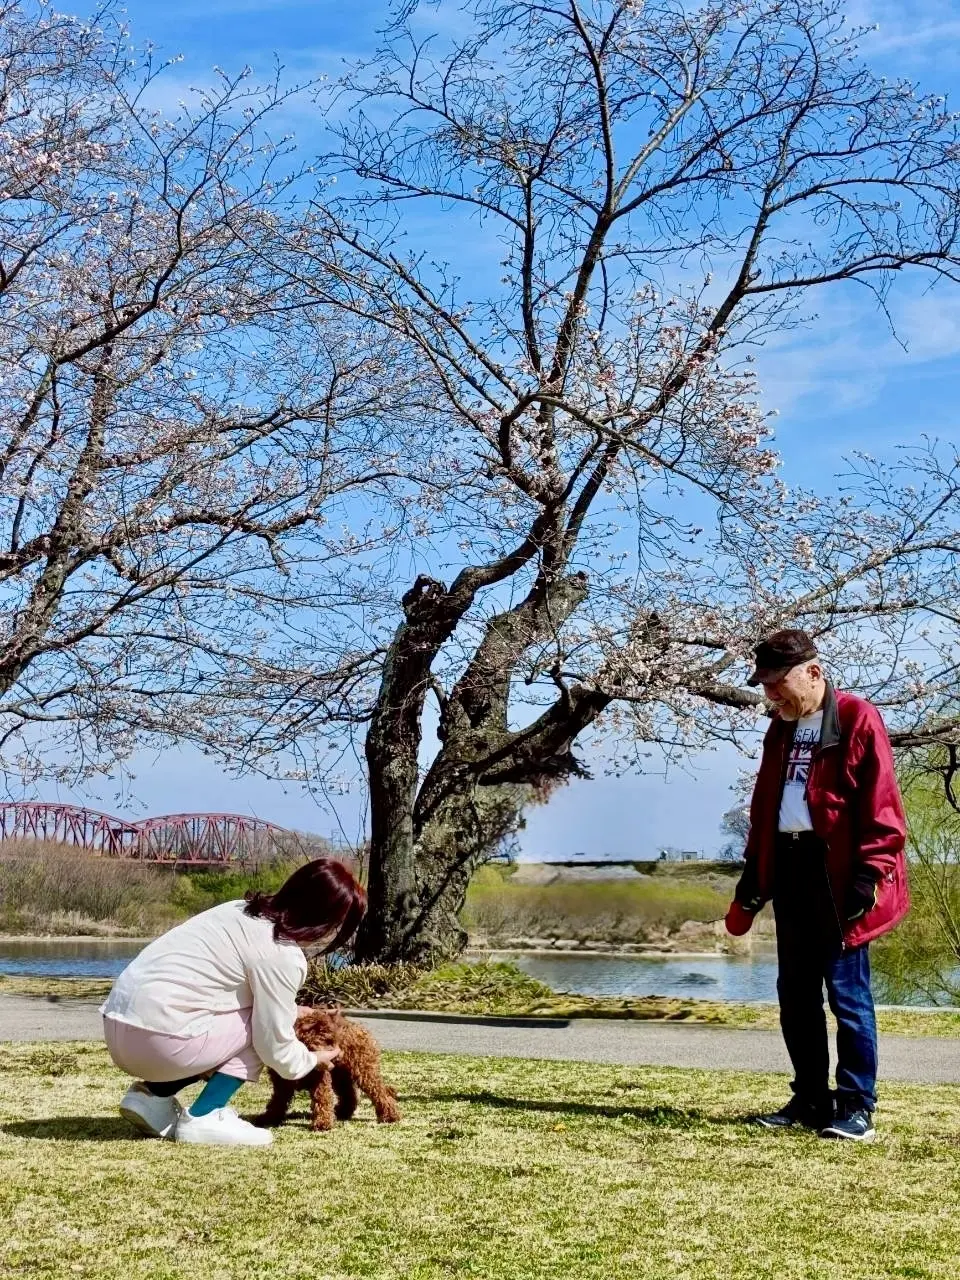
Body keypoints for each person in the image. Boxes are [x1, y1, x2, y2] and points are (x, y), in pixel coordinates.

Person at [724, 629, 908, 1142]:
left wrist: (869, 875)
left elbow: (883, 807)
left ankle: (856, 1105)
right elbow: (766, 806)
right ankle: (809, 1098)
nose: (772, 695)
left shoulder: (856, 717)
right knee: (795, 995)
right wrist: (753, 874)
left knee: (847, 995)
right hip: (790, 866)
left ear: (813, 672)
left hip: (841, 875)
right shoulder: (779, 730)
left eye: (778, 683)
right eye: (765, 686)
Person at [101, 857, 366, 1147]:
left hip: (118, 1027)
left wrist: (293, 1010)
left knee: (244, 1017)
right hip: (163, 1039)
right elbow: (272, 1044)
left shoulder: (235, 910)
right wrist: (312, 1059)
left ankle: (151, 1096)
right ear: (323, 919)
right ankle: (206, 1114)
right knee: (261, 1026)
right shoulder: (282, 953)